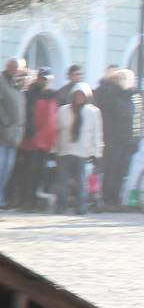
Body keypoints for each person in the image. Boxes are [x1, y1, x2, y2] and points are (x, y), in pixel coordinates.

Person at [55, 83, 103, 215]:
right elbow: (57, 130)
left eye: (82, 95)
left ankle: (81, 206)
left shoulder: (93, 112)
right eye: (77, 95)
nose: (79, 97)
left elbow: (97, 134)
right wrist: (54, 149)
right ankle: (61, 206)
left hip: (83, 151)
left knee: (81, 181)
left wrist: (97, 153)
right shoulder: (63, 110)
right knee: (62, 180)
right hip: (65, 150)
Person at [96, 68, 141, 210]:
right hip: (114, 141)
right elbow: (108, 117)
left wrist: (136, 138)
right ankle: (107, 199)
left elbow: (138, 119)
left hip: (129, 142)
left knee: (122, 172)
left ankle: (115, 199)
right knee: (111, 170)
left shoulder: (135, 96)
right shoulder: (110, 94)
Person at [0, 58, 26, 209]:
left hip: (15, 136)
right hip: (1, 133)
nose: (14, 69)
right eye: (12, 66)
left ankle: (0, 199)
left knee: (7, 170)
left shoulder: (18, 86)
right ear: (7, 67)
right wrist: (5, 121)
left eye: (17, 67)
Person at [15, 68, 58, 211]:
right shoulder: (29, 94)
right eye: (43, 78)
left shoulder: (52, 96)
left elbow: (53, 119)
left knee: (40, 173)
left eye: (47, 79)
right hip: (32, 140)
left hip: (46, 142)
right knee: (29, 172)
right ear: (38, 79)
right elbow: (27, 115)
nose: (45, 81)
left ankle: (34, 198)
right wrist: (30, 133)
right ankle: (26, 200)